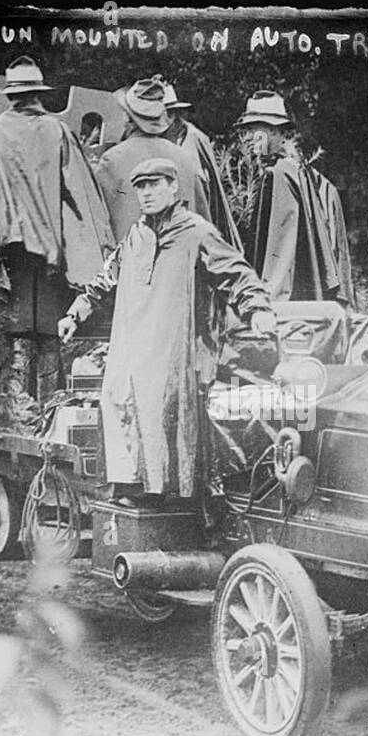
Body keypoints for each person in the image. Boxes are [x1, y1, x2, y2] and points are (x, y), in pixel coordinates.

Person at [58, 158, 276, 501]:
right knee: (118, 400)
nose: (146, 193)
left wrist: (257, 308)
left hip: (172, 347)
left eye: (154, 184)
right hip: (131, 345)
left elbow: (236, 273)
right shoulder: (136, 235)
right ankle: (130, 486)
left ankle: (165, 493)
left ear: (173, 187)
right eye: (141, 186)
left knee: (162, 409)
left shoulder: (196, 232)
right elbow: (105, 279)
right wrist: (75, 314)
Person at [0, 56, 114, 398]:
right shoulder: (58, 132)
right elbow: (81, 197)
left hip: (6, 256)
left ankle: (15, 409)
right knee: (50, 333)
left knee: (13, 333)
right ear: (38, 95)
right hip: (50, 255)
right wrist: (90, 253)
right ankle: (48, 412)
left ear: (11, 95)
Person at [235, 90, 353, 304]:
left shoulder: (279, 174)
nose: (248, 138)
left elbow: (280, 251)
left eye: (253, 130)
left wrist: (264, 301)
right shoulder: (298, 169)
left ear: (272, 131)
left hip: (287, 301)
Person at [94, 76, 209, 241]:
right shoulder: (184, 158)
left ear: (127, 118)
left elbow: (98, 226)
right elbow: (204, 222)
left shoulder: (112, 160)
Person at [159, 78, 244, 251]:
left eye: (165, 115)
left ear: (174, 115)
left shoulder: (193, 139)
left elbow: (202, 186)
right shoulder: (163, 139)